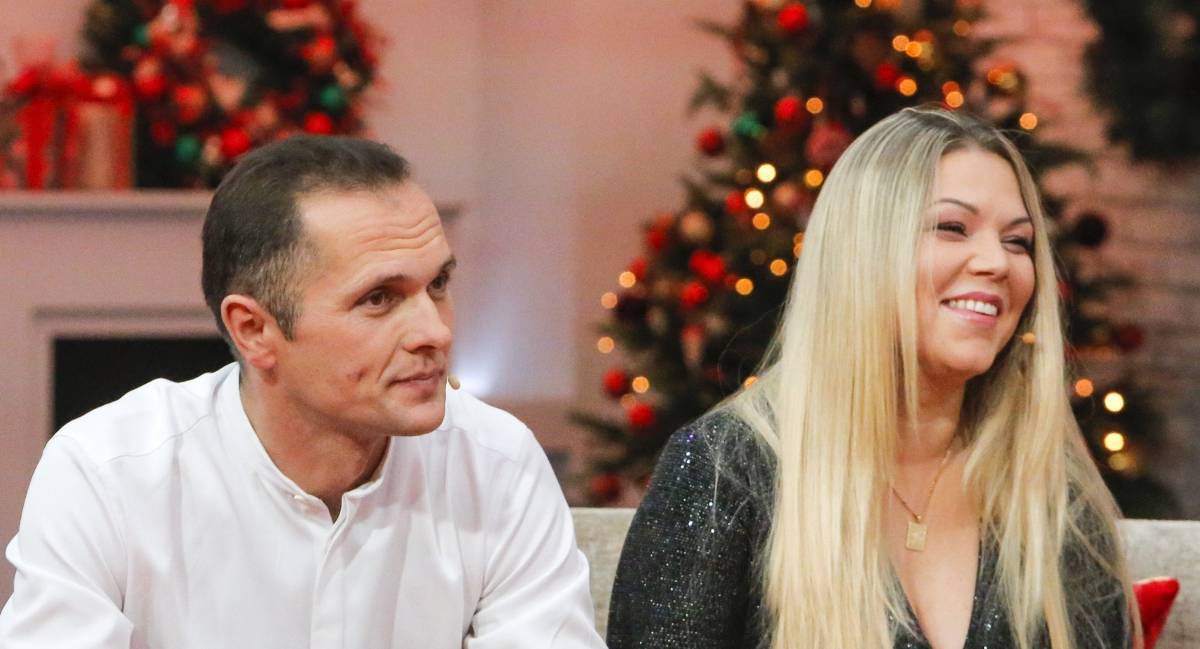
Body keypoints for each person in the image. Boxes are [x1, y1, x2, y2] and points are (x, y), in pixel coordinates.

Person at [0, 136, 606, 648]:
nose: (435, 331)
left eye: (438, 285)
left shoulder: (497, 462)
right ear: (254, 330)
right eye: (379, 298)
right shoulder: (106, 473)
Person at [606, 108, 1139, 649]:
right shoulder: (725, 470)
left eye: (1018, 241)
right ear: (862, 251)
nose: (997, 262)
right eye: (952, 228)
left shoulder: (1052, 494)